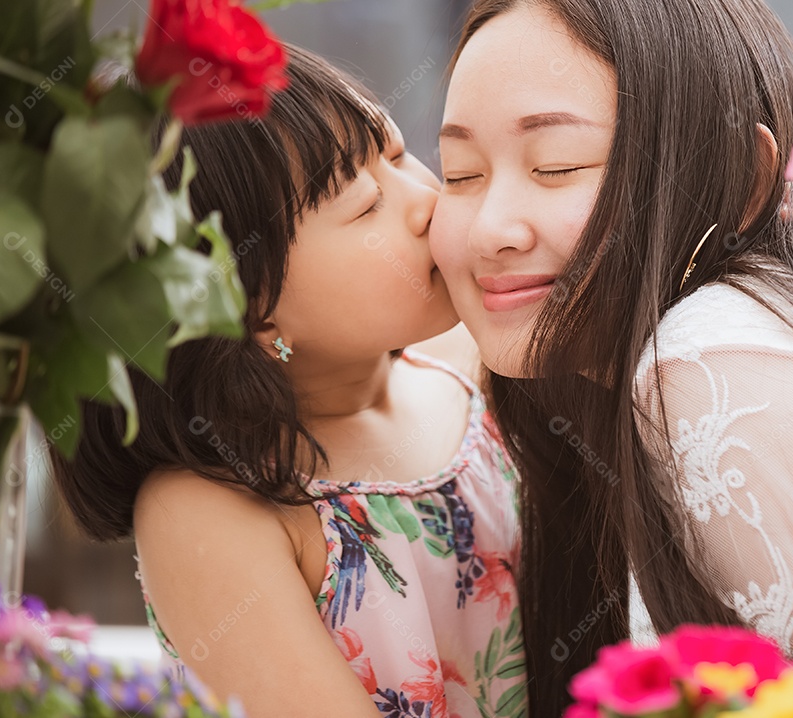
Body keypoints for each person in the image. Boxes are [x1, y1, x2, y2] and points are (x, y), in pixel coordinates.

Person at [429, 1, 793, 714]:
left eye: (556, 166)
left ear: (747, 177)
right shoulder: (734, 323)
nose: (491, 229)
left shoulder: (709, 357)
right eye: (460, 174)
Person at [51, 45, 525, 718]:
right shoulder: (215, 507)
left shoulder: (479, 371)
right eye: (365, 206)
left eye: (395, 154)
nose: (426, 202)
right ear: (246, 308)